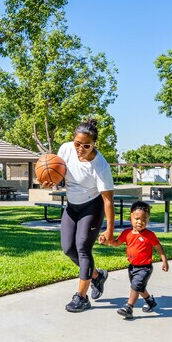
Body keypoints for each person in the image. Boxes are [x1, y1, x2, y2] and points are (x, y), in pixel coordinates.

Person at [41, 118, 115, 312]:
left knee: (83, 248)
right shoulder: (65, 149)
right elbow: (58, 172)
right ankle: (97, 276)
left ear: (94, 144)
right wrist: (50, 181)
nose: (80, 148)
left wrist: (109, 230)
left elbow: (108, 200)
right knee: (68, 249)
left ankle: (81, 297)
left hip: (92, 206)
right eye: (77, 143)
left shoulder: (100, 166)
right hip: (72, 205)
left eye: (86, 145)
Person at [100, 201, 169, 319]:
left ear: (148, 219)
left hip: (145, 268)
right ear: (130, 217)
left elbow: (158, 247)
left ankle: (129, 307)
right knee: (139, 287)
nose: (140, 222)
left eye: (144, 220)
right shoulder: (127, 233)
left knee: (135, 286)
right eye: (137, 219)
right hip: (132, 267)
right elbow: (116, 243)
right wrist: (106, 241)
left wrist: (164, 260)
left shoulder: (149, 235)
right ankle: (150, 301)